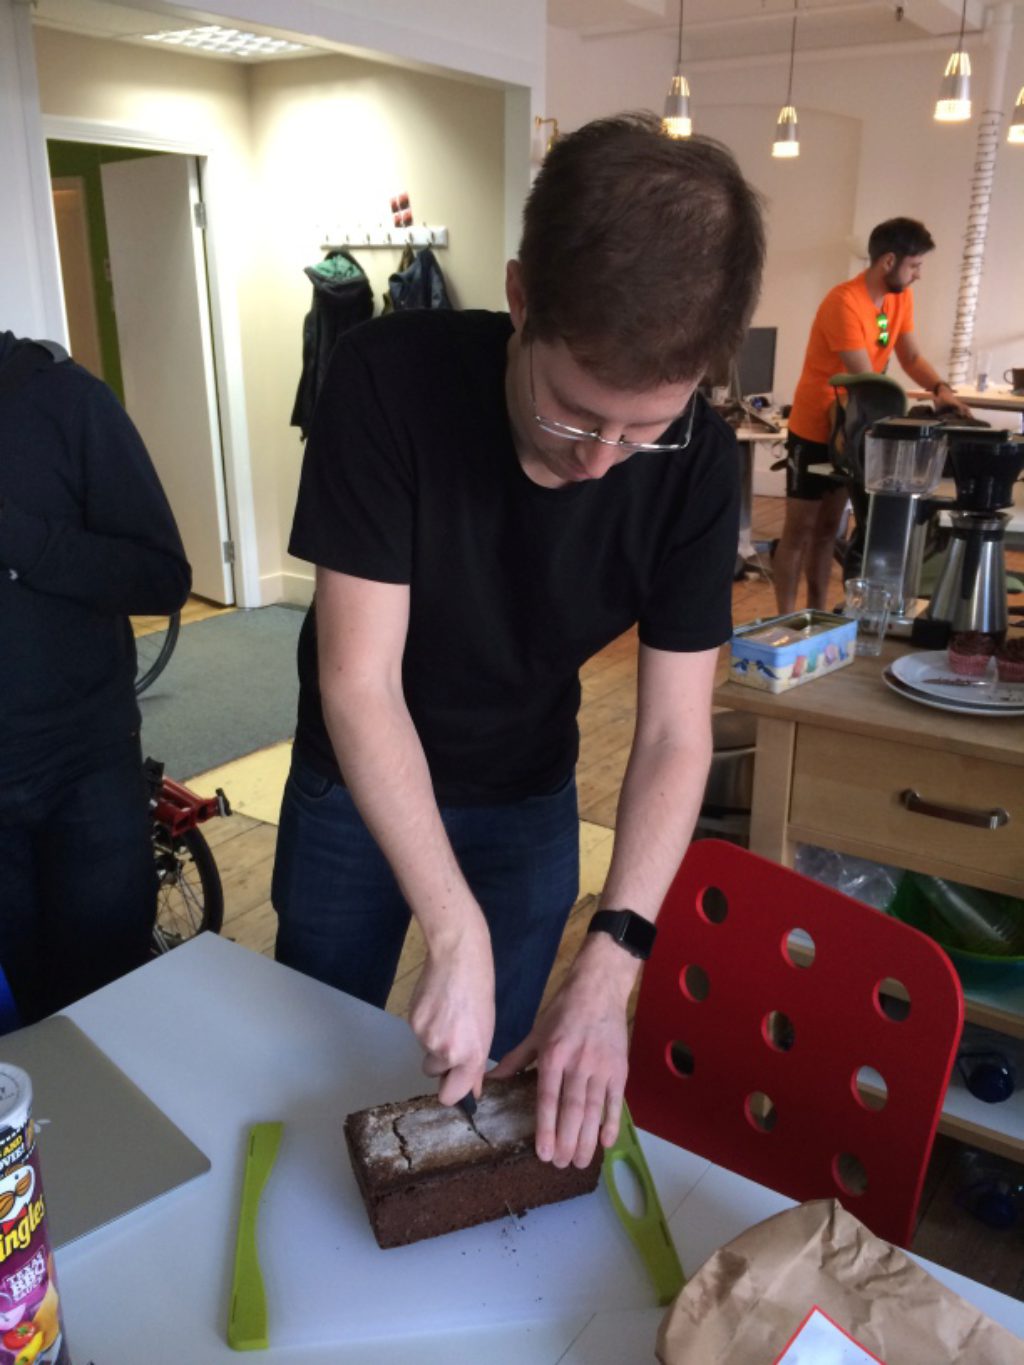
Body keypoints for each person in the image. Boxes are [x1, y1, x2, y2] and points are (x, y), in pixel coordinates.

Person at [273, 113, 765, 1169]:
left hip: (528, 791)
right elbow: (360, 681)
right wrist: (452, 931)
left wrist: (612, 961)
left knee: (493, 1082)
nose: (603, 462)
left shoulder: (697, 462)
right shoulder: (383, 379)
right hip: (355, 785)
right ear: (521, 299)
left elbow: (674, 733)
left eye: (644, 430)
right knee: (311, 1048)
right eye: (576, 415)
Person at [0, 333, 191, 1026]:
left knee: (108, 1006)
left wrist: (21, 539)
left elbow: (162, 577)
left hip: (83, 770)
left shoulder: (67, 400)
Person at [772, 218, 972, 615]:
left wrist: (941, 389)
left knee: (829, 529)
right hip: (816, 428)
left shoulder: (899, 299)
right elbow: (866, 381)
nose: (918, 274)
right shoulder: (843, 302)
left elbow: (910, 356)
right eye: (914, 265)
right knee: (800, 530)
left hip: (854, 429)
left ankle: (817, 615)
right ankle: (785, 620)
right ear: (888, 261)